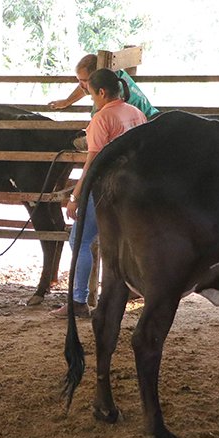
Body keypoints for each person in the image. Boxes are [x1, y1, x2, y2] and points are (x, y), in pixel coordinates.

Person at [51, 68, 148, 318]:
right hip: (135, 189)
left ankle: (78, 301)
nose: (93, 100)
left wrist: (76, 196)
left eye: (92, 94)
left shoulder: (102, 119)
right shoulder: (136, 114)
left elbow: (92, 162)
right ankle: (129, 293)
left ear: (102, 92)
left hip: (107, 189)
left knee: (79, 240)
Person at [47, 53, 159, 119]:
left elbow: (101, 123)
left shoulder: (110, 94)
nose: (81, 85)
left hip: (148, 129)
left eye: (84, 81)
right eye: (79, 80)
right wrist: (67, 101)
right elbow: (87, 87)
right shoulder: (113, 77)